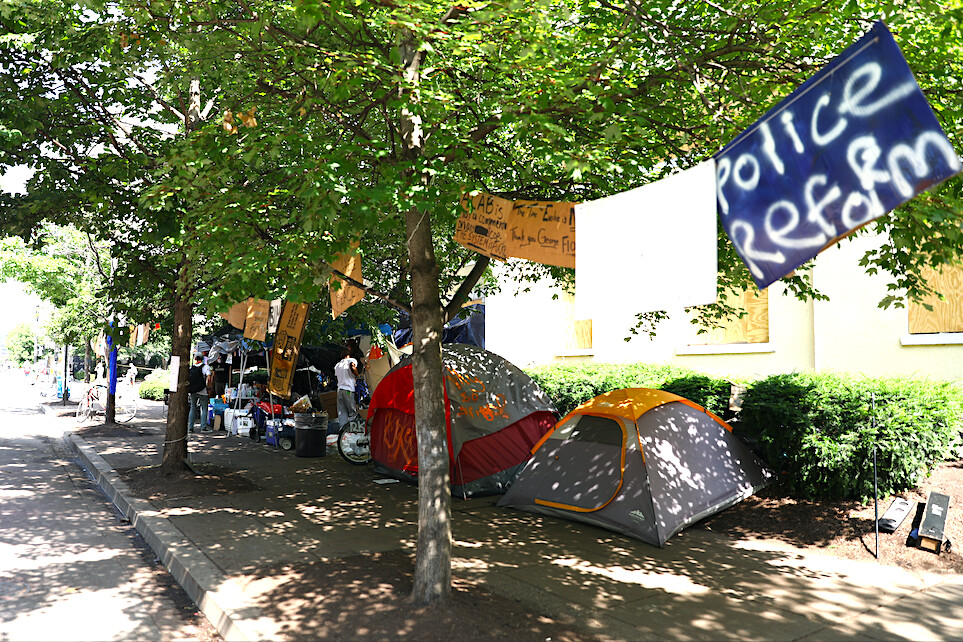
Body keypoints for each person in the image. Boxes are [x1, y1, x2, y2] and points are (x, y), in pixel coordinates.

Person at [333, 347, 359, 428]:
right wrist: (356, 374)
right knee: (352, 412)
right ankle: (352, 431)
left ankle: (342, 431)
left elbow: (337, 379)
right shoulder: (351, 360)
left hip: (340, 390)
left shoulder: (337, 365)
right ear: (348, 355)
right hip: (348, 390)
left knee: (342, 412)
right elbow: (352, 366)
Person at [187, 354, 212, 433]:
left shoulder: (192, 367)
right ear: (203, 358)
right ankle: (203, 428)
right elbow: (209, 377)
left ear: (195, 359)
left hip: (193, 391)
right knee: (204, 409)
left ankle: (190, 427)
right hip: (202, 390)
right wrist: (208, 387)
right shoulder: (205, 367)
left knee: (192, 408)